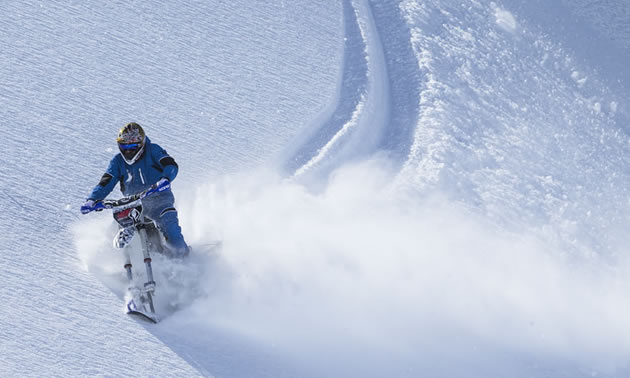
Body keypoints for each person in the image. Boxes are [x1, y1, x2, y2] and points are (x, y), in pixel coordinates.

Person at [82, 122, 190, 257]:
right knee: (118, 225)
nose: (128, 151)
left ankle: (184, 259)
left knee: (173, 233)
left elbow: (170, 164)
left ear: (141, 144)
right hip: (135, 204)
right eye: (124, 147)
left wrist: (165, 179)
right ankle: (123, 251)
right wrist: (93, 199)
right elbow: (107, 181)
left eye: (132, 147)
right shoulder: (117, 161)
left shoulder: (153, 151)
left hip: (160, 202)